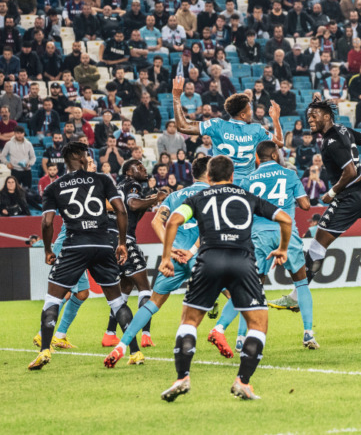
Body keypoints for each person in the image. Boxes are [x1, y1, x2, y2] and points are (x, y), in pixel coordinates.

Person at [157, 155, 292, 401]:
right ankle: (243, 382)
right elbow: (286, 219)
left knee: (189, 321)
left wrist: (166, 257)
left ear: (209, 177)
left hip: (208, 261)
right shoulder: (247, 197)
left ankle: (182, 378)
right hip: (243, 262)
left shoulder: (198, 198)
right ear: (232, 176)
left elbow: (173, 221)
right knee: (258, 324)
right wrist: (282, 249)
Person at [268, 95, 361, 311]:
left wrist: (331, 192)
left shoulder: (331, 141)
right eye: (308, 116)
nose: (310, 120)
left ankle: (296, 297)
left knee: (317, 245)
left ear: (327, 116)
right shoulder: (343, 130)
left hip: (349, 197)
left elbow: (349, 172)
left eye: (314, 116)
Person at [29, 142, 133, 370]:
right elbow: (120, 209)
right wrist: (122, 243)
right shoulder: (102, 180)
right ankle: (135, 352)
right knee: (114, 301)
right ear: (78, 156)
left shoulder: (54, 187)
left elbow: (47, 222)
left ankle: (49, 344)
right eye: (87, 156)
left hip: (75, 246)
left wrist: (47, 250)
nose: (90, 160)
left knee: (60, 297)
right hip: (98, 245)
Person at [104, 156, 211, 367]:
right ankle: (228, 333)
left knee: (152, 303)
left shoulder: (175, 195)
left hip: (174, 258)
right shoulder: (212, 194)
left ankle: (121, 345)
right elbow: (209, 226)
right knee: (236, 292)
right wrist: (191, 251)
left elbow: (156, 222)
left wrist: (170, 251)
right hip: (200, 254)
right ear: (209, 173)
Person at [223, 141, 318, 349]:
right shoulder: (290, 174)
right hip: (287, 233)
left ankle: (241, 338)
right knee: (301, 283)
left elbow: (240, 213)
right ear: (275, 155)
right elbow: (305, 205)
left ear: (258, 158)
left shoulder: (248, 180)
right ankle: (308, 334)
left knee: (251, 287)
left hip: (259, 235)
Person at [172, 77, 282, 184]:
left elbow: (183, 126)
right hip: (247, 186)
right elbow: (280, 143)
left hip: (222, 184)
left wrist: (176, 98)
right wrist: (275, 120)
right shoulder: (256, 129)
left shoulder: (217, 125)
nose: (252, 112)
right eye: (250, 110)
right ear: (243, 115)